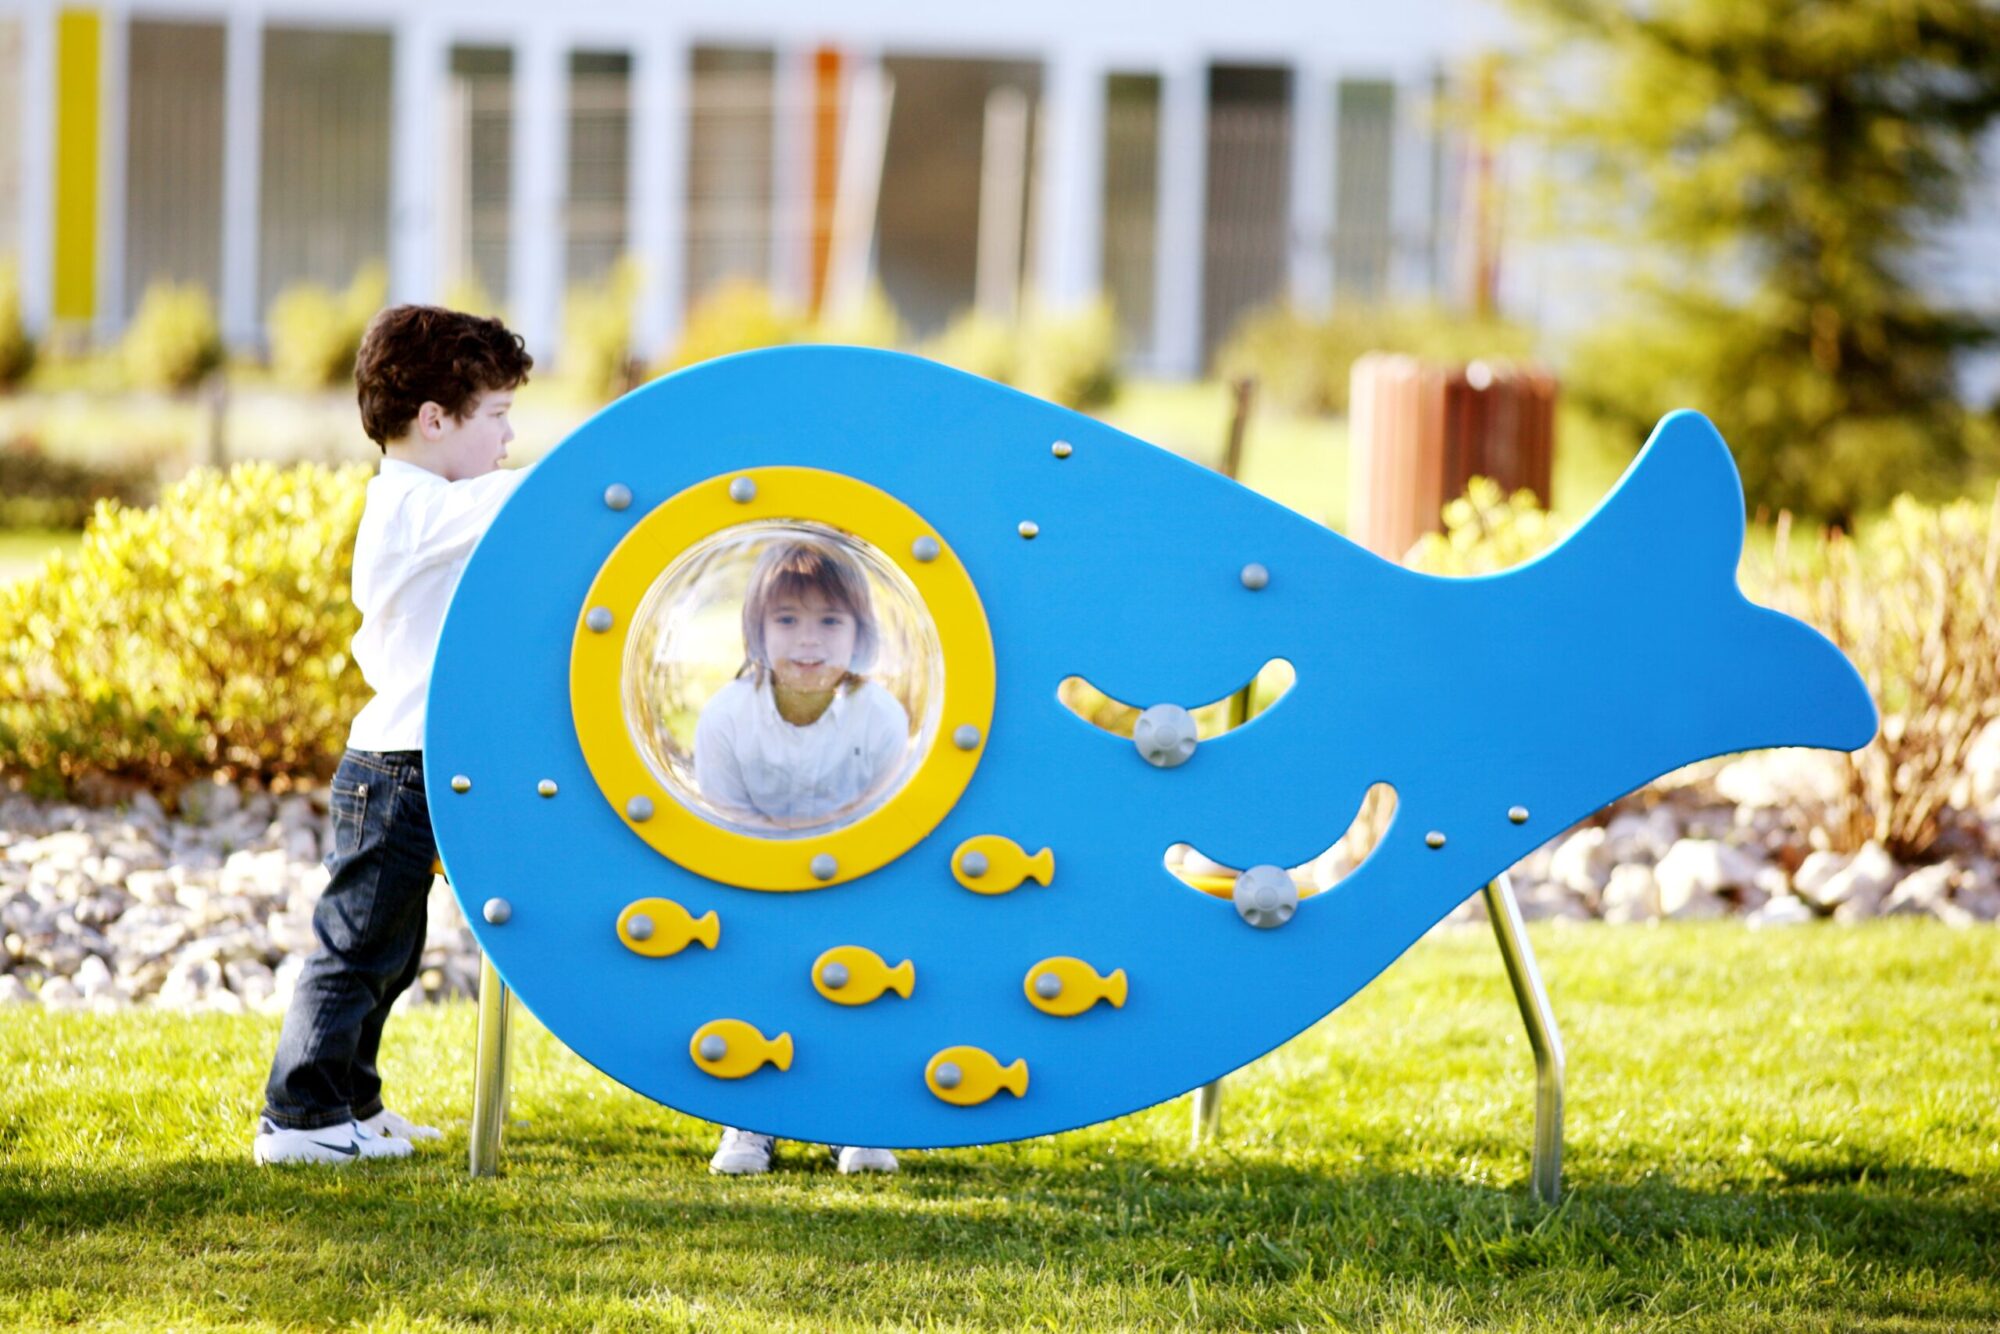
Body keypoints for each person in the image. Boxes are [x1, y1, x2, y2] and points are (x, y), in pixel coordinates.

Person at [253, 305, 533, 1166]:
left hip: (420, 761)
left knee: (393, 951)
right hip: (396, 768)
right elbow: (517, 496)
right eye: (496, 417)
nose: (510, 437)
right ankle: (298, 1117)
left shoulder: (435, 504)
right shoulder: (412, 507)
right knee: (357, 946)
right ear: (434, 420)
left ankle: (351, 1101)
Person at [693, 537, 909, 1174]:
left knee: (853, 987)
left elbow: (892, 813)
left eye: (829, 622)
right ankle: (749, 1124)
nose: (807, 641)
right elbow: (723, 821)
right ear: (756, 631)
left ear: (860, 634)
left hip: (859, 878)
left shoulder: (878, 715)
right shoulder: (728, 717)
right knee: (754, 982)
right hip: (754, 879)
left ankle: (849, 1121)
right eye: (786, 620)